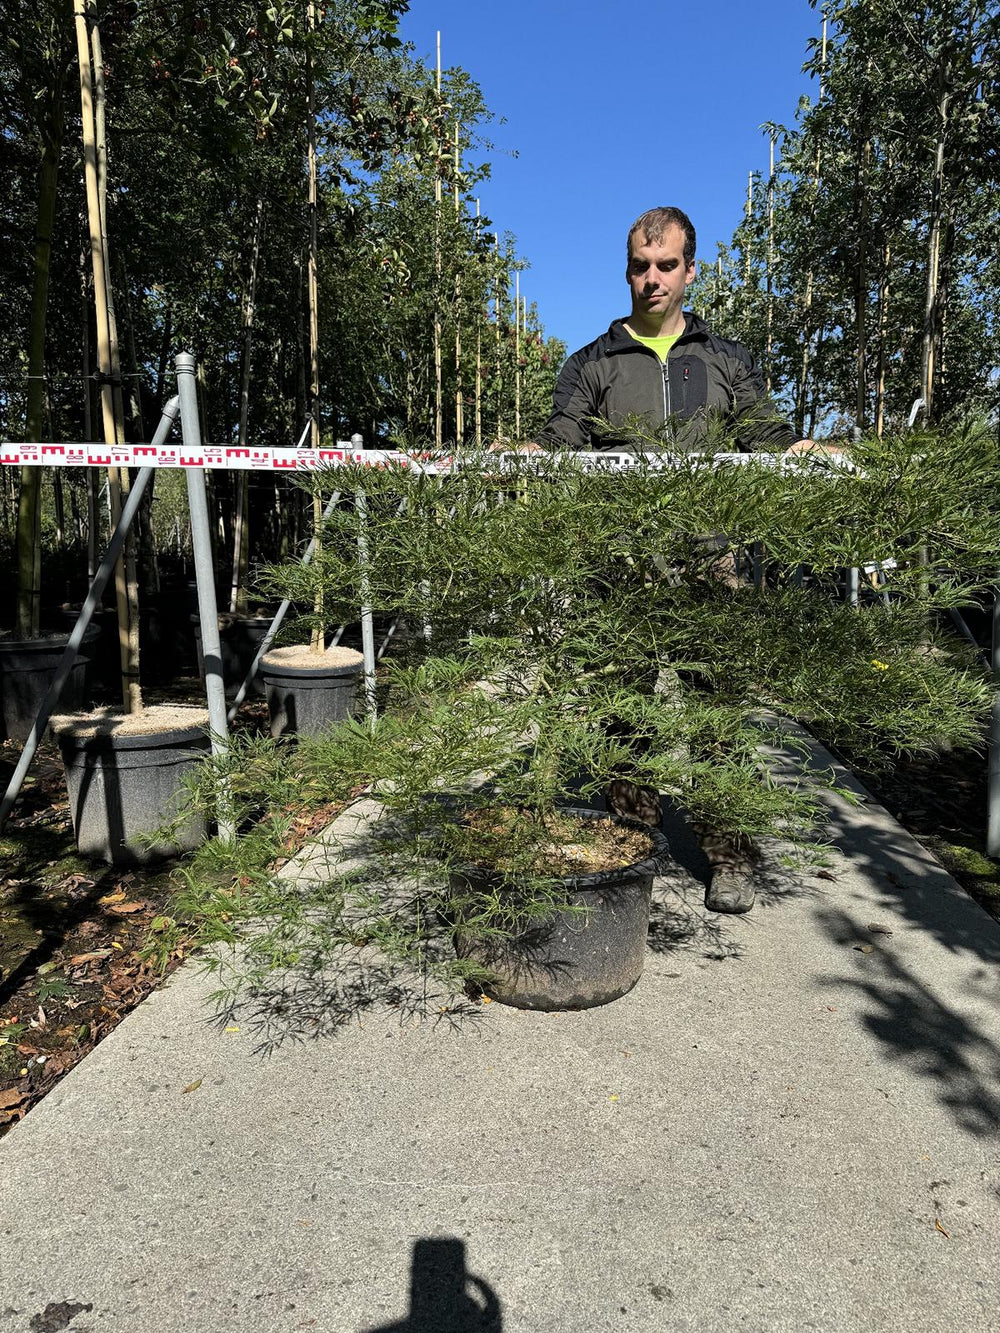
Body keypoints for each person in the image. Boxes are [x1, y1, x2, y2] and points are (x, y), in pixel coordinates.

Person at [530, 206, 818, 913]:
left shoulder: (724, 360)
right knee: (625, 715)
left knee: (718, 715)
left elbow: (765, 433)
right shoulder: (592, 362)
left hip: (708, 562)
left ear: (691, 271)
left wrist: (801, 451)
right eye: (639, 265)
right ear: (626, 270)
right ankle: (632, 848)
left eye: (665, 265)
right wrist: (528, 455)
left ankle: (732, 855)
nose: (651, 278)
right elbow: (560, 434)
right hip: (620, 566)